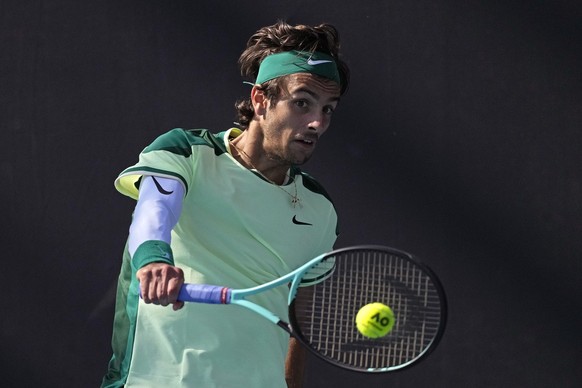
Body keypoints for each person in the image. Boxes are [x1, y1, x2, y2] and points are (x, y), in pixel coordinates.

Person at [101, 20, 350, 388]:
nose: (317, 122)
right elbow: (153, 213)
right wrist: (155, 259)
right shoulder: (186, 152)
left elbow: (299, 310)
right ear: (260, 100)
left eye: (328, 109)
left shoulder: (319, 210)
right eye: (302, 103)